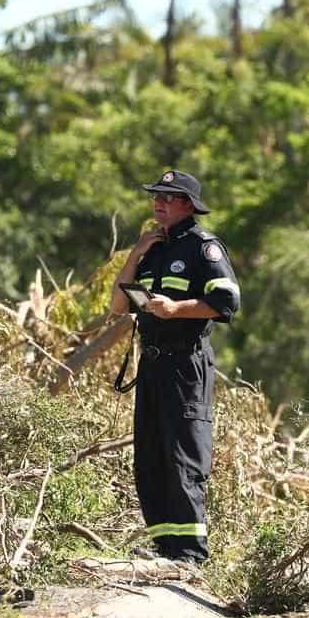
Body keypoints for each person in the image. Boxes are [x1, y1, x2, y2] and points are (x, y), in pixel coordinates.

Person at [109, 170, 240, 564]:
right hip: (152, 365)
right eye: (157, 196)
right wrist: (135, 253)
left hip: (186, 365)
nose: (159, 203)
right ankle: (164, 546)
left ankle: (190, 553)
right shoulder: (151, 248)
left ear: (188, 205)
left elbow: (227, 303)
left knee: (183, 456)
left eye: (169, 197)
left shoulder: (204, 248)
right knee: (151, 457)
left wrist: (176, 309)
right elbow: (118, 306)